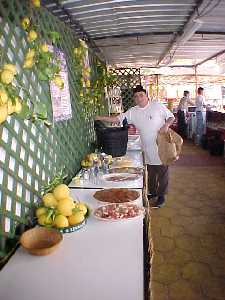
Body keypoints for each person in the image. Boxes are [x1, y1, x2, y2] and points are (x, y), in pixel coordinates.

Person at [95, 85, 175, 208]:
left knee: (162, 170)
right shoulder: (133, 111)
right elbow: (117, 118)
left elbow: (171, 117)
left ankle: (162, 196)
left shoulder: (157, 105)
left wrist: (166, 125)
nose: (139, 98)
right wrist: (99, 117)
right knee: (151, 172)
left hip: (161, 145)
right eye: (136, 96)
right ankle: (153, 193)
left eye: (141, 95)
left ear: (146, 95)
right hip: (146, 147)